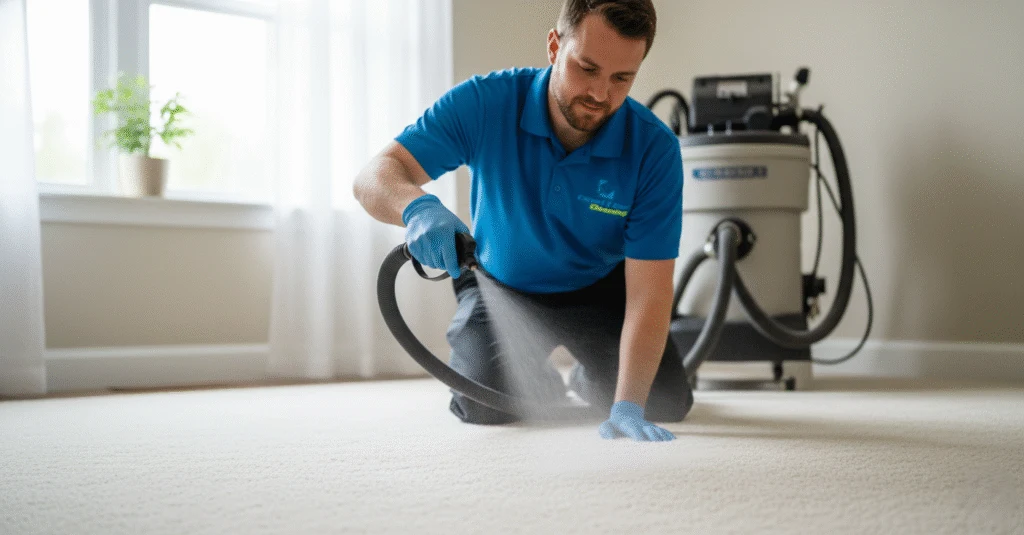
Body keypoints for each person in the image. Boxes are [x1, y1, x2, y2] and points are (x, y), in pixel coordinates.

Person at [353, 0, 691, 442]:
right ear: (554, 46)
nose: (600, 94)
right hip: (500, 284)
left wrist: (626, 403)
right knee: (481, 404)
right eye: (587, 68)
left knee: (664, 401)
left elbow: (650, 292)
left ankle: (592, 381)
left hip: (600, 288)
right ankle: (540, 379)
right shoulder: (485, 103)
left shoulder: (653, 150)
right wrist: (416, 208)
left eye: (621, 78)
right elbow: (374, 176)